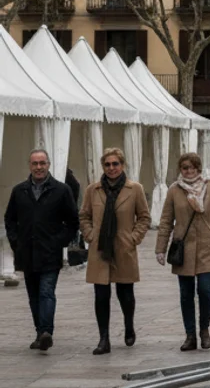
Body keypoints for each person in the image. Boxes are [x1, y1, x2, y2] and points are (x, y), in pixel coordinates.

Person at [3, 149, 79, 352]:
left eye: (42, 163)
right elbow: (10, 219)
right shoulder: (20, 191)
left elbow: (73, 222)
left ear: (49, 165)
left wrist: (59, 241)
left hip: (49, 252)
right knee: (33, 295)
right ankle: (40, 333)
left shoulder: (61, 190)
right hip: (27, 252)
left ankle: (46, 331)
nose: (39, 167)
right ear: (29, 165)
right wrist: (15, 242)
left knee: (46, 292)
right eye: (35, 163)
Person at [155, 152, 210, 352]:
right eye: (184, 168)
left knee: (205, 291)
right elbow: (165, 221)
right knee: (185, 294)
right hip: (184, 249)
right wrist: (160, 249)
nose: (188, 171)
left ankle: (204, 329)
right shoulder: (174, 190)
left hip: (208, 247)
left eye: (192, 167)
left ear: (198, 168)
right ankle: (190, 335)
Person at [79, 147, 150, 355]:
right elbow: (84, 215)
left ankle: (129, 325)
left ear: (123, 165)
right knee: (101, 294)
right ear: (103, 166)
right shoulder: (93, 190)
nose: (111, 168)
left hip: (124, 247)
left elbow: (144, 217)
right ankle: (104, 338)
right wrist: (90, 235)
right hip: (100, 248)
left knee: (125, 293)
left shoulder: (134, 189)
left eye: (115, 164)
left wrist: (134, 238)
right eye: (107, 164)